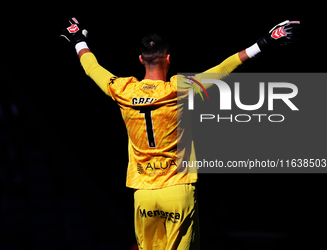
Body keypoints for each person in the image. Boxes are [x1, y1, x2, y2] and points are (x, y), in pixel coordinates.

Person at [60, 18, 302, 250]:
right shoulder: (180, 88)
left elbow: (92, 68)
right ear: (168, 58)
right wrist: (266, 41)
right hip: (177, 189)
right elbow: (223, 69)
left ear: (141, 59)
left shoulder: (122, 89)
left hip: (143, 194)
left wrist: (78, 39)